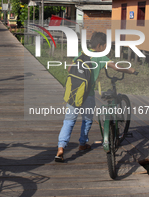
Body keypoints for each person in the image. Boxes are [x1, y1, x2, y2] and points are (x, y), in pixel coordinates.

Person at [55, 31, 136, 162]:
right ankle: (82, 144)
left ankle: (61, 148)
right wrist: (130, 70)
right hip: (88, 94)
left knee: (69, 121)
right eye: (105, 46)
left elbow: (70, 69)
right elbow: (115, 67)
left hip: (74, 93)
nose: (106, 48)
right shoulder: (100, 57)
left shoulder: (82, 53)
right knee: (87, 120)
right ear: (100, 45)